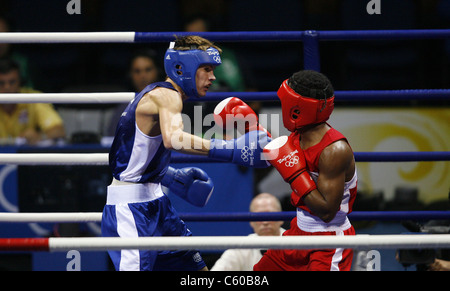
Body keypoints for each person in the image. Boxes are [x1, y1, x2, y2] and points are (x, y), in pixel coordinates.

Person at [101, 35, 271, 271]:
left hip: (157, 202)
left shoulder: (163, 96)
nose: (213, 77)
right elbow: (174, 139)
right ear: (182, 68)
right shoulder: (167, 95)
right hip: (131, 209)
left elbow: (133, 149)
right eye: (207, 69)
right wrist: (231, 149)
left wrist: (167, 174)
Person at [254, 70, 357, 271]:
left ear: (296, 109)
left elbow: (327, 212)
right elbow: (272, 152)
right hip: (297, 231)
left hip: (328, 241)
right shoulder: (297, 136)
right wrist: (248, 128)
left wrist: (295, 175)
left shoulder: (334, 151)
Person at [211, 193, 285, 271]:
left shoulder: (296, 244)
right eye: (260, 216)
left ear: (281, 218)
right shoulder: (241, 248)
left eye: (270, 215)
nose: (265, 222)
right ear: (251, 221)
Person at [0, 58, 65, 145]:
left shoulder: (33, 98)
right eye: (1, 83)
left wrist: (40, 136)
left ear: (20, 82)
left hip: (25, 156)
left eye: (12, 82)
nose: (7, 87)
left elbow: (59, 130)